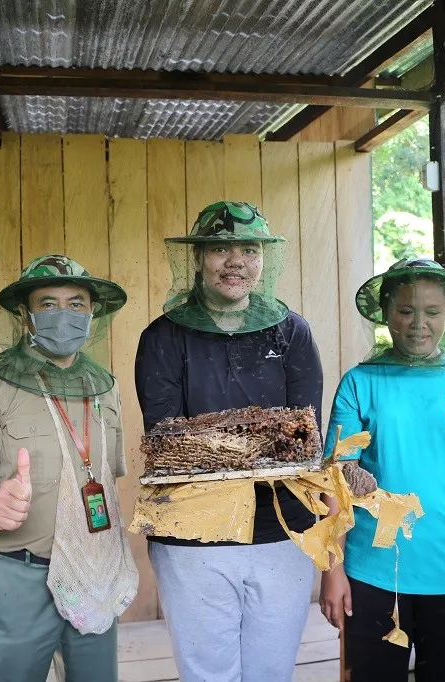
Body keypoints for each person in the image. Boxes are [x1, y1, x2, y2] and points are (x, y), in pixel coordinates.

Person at [135, 200, 324, 681]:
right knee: (208, 674)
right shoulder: (163, 337)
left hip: (284, 528)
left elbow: (304, 437)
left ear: (265, 258)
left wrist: (210, 440)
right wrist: (268, 437)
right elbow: (169, 444)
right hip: (191, 533)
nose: (235, 261)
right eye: (219, 248)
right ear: (197, 258)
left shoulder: (292, 333)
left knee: (271, 672)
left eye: (249, 249)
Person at [319, 258, 445, 682]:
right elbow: (336, 481)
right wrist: (332, 569)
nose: (418, 323)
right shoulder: (362, 382)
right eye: (405, 311)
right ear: (385, 313)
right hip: (374, 571)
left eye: (432, 312)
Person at [0, 255, 137, 682]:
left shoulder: (104, 386)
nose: (63, 315)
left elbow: (107, 478)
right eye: (48, 304)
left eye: (76, 304)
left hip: (93, 573)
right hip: (19, 575)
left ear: (93, 313)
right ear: (24, 315)